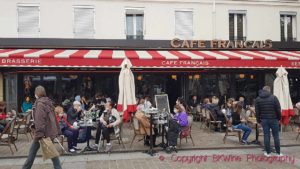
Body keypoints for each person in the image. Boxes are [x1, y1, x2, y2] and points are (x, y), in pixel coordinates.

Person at [22, 85, 62, 169]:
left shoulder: (40, 104)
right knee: (51, 153)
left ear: (37, 93)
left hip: (42, 133)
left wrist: (39, 133)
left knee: (34, 153)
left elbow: (40, 121)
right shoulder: (48, 102)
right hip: (48, 132)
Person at [255, 86, 282, 157]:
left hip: (264, 120)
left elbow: (257, 112)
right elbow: (278, 109)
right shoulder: (274, 98)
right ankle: (278, 153)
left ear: (263, 90)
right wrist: (279, 118)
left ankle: (268, 153)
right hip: (274, 119)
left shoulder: (258, 99)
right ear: (269, 90)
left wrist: (258, 120)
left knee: (266, 135)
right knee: (276, 136)